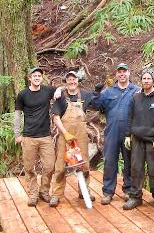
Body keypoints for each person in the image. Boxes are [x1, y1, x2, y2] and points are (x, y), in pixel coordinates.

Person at [92, 63, 140, 205]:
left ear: (129, 73)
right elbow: (97, 106)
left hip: (130, 132)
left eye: (124, 71)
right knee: (110, 161)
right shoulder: (109, 91)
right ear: (116, 74)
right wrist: (97, 93)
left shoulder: (136, 91)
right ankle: (108, 192)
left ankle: (128, 190)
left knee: (129, 162)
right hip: (112, 131)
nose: (122, 74)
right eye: (119, 72)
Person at [49, 71, 96, 207]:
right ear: (66, 82)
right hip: (65, 134)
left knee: (84, 163)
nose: (72, 82)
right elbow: (56, 117)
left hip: (81, 134)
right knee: (60, 165)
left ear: (77, 81)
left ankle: (84, 191)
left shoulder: (85, 95)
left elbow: (98, 101)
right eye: (69, 79)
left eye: (74, 79)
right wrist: (65, 133)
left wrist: (98, 92)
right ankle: (56, 194)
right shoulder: (61, 97)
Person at [14, 66, 60, 206]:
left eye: (39, 76)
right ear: (29, 78)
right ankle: (33, 194)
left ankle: (44, 191)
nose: (37, 78)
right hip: (28, 137)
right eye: (34, 76)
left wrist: (58, 90)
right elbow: (17, 115)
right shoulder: (23, 95)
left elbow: (62, 89)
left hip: (45, 136)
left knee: (50, 166)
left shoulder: (47, 90)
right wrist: (17, 134)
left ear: (41, 78)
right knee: (29, 167)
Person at [123, 69, 154, 210]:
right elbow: (130, 118)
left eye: (149, 78)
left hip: (152, 140)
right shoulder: (135, 97)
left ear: (153, 80)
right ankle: (135, 196)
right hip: (137, 139)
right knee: (136, 168)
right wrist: (128, 135)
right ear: (141, 80)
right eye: (144, 78)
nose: (146, 81)